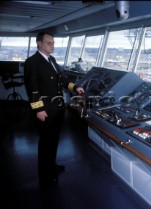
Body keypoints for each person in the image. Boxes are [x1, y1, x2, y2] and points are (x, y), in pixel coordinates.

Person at [24, 31, 84, 186]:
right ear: (39, 43)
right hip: (45, 110)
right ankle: (44, 174)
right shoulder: (32, 62)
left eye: (53, 43)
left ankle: (51, 165)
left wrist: (75, 87)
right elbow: (32, 89)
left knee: (54, 140)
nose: (52, 46)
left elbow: (62, 80)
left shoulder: (52, 60)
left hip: (57, 108)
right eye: (49, 43)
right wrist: (38, 109)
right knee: (46, 142)